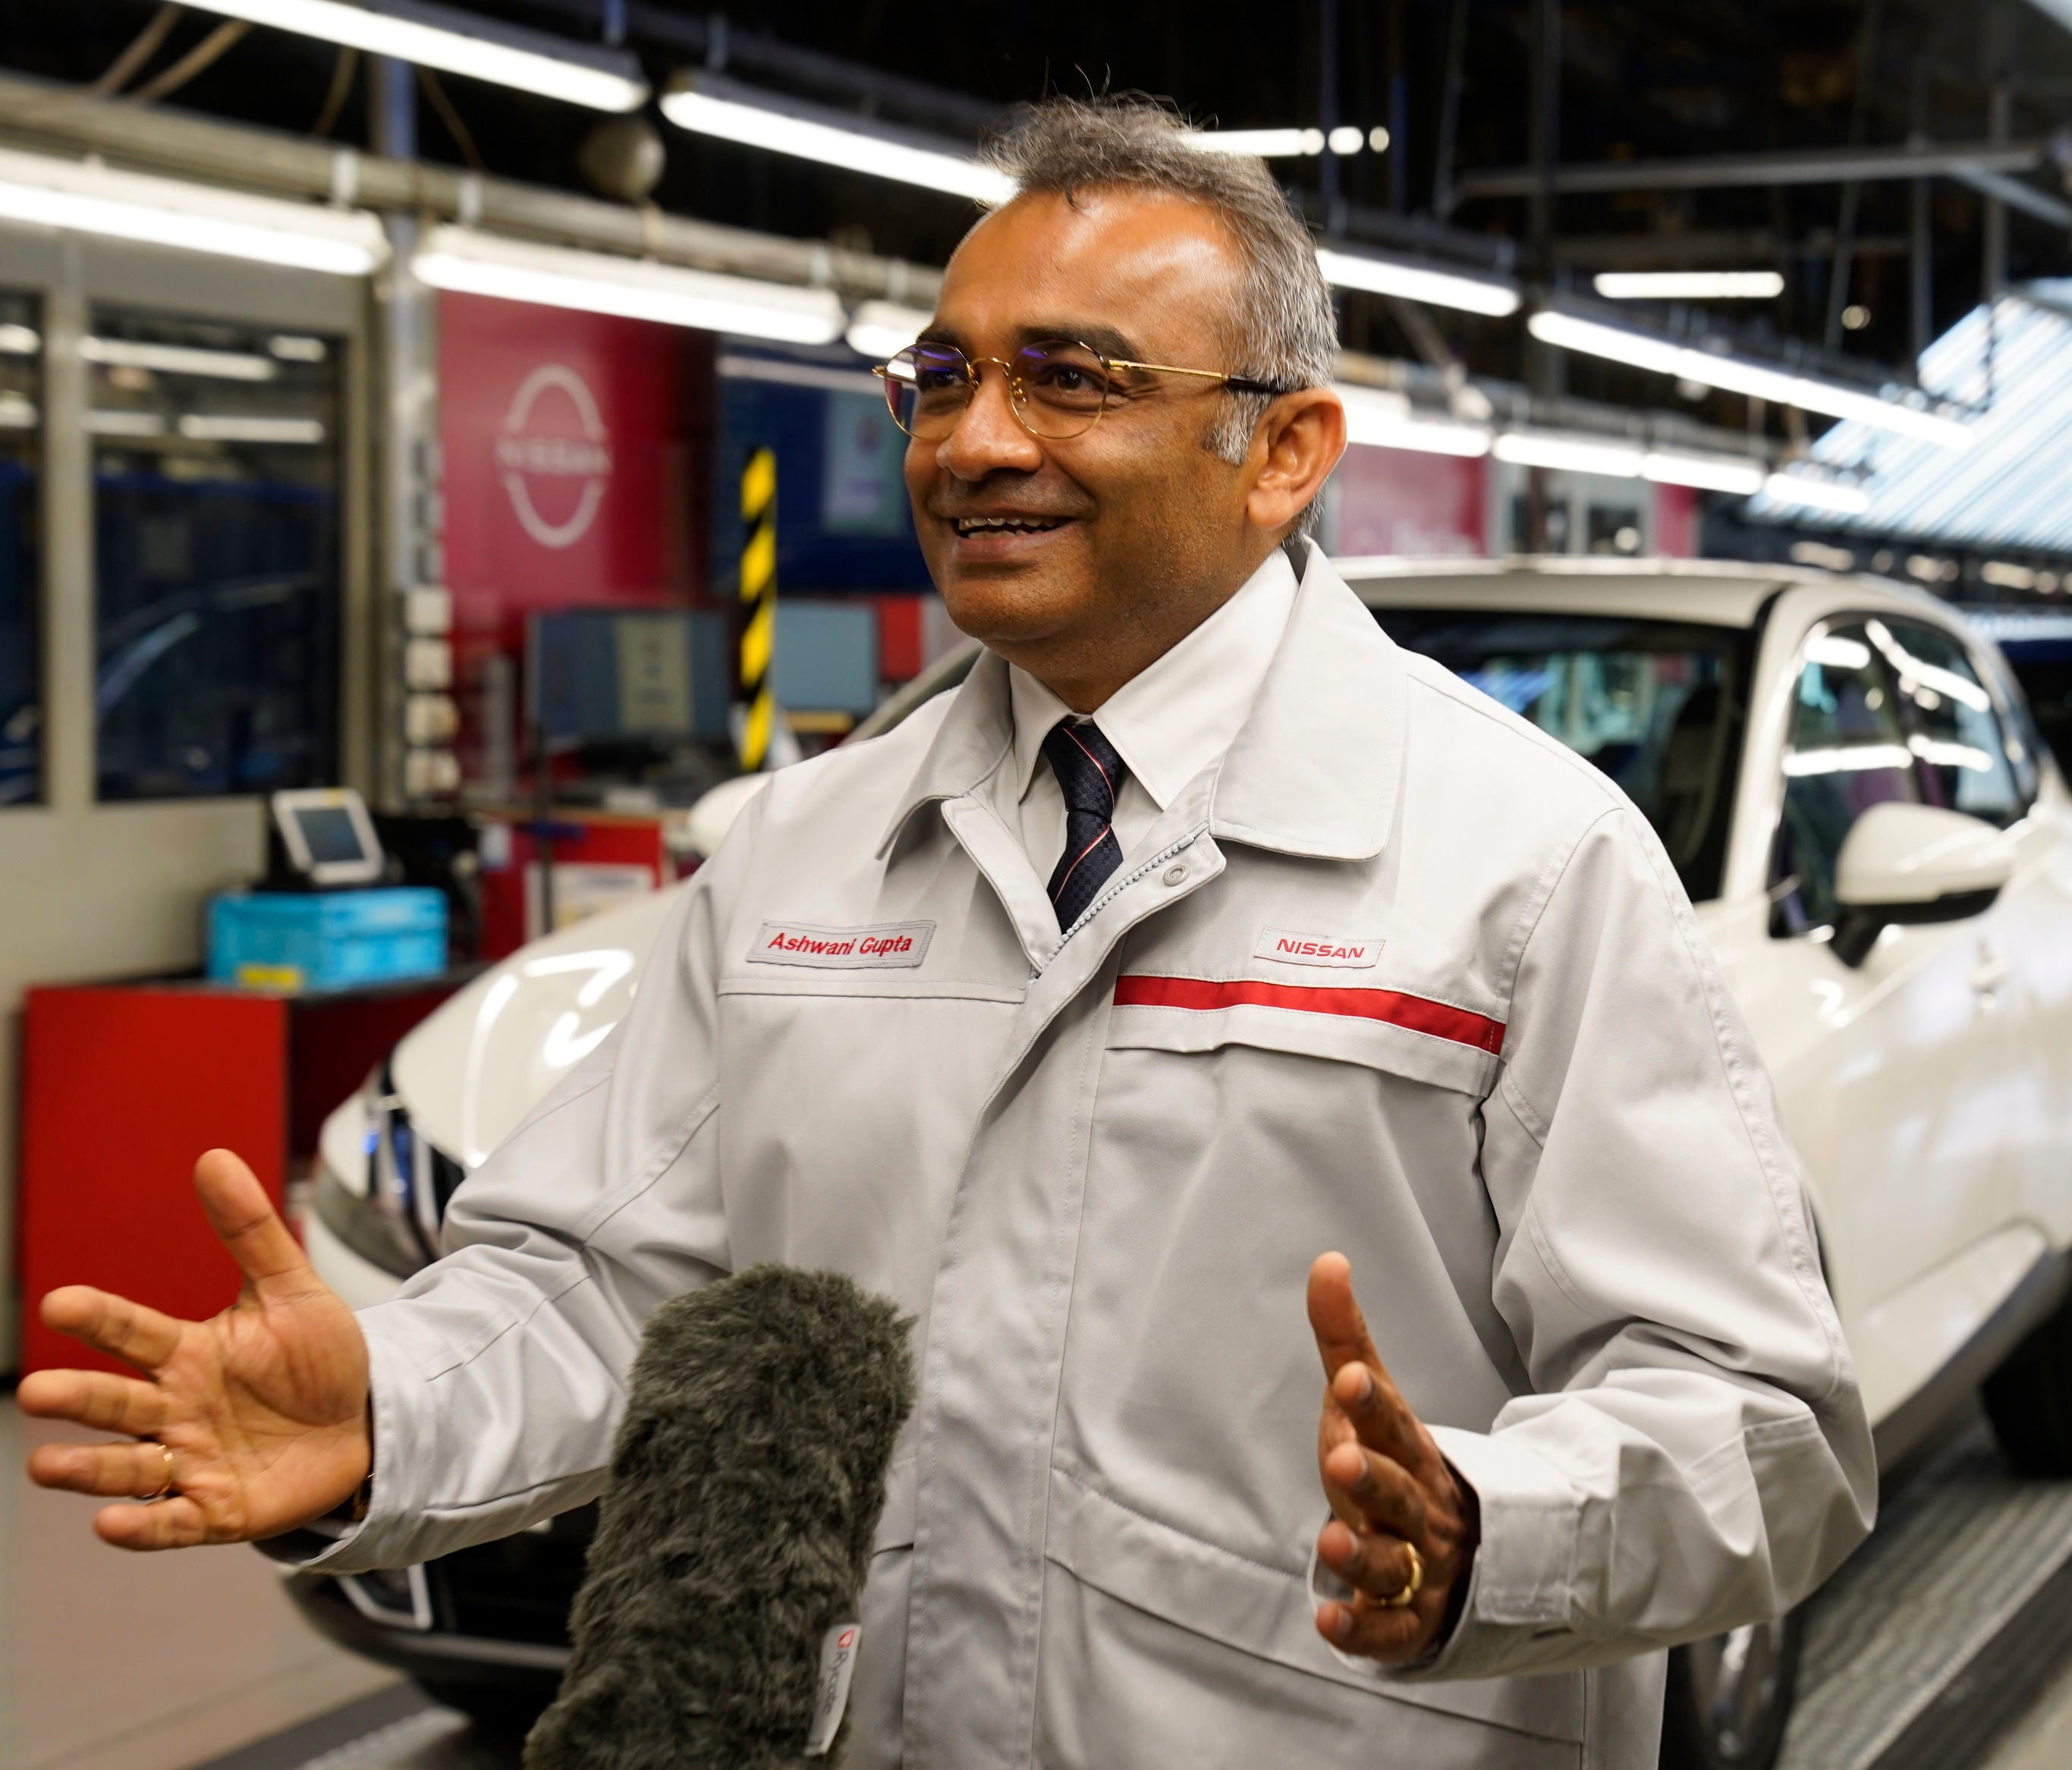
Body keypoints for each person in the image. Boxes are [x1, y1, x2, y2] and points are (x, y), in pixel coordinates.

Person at [24, 96, 1873, 1768]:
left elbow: (1759, 1416)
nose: (977, 441)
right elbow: (606, 1283)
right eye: (942, 375)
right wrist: (388, 1404)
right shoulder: (809, 850)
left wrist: (1490, 1527)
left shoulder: (1522, 863)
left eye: (1072, 378)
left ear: (1285, 447)